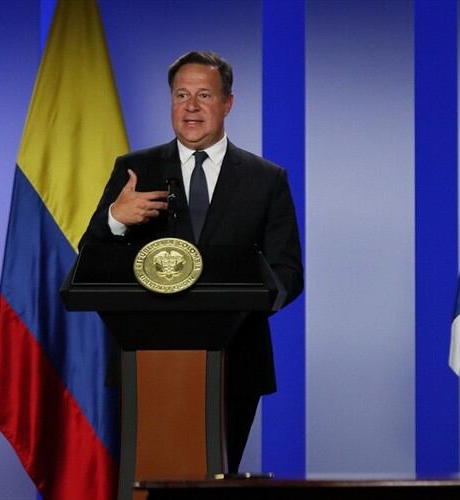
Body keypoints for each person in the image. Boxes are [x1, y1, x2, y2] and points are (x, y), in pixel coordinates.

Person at [80, 51, 303, 473]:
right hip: (146, 361)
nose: (191, 107)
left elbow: (288, 272)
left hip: (236, 362)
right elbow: (89, 258)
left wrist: (239, 310)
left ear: (227, 103)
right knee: (150, 481)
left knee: (216, 477)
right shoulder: (134, 170)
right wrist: (116, 219)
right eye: (181, 95)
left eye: (204, 95)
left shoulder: (266, 179)